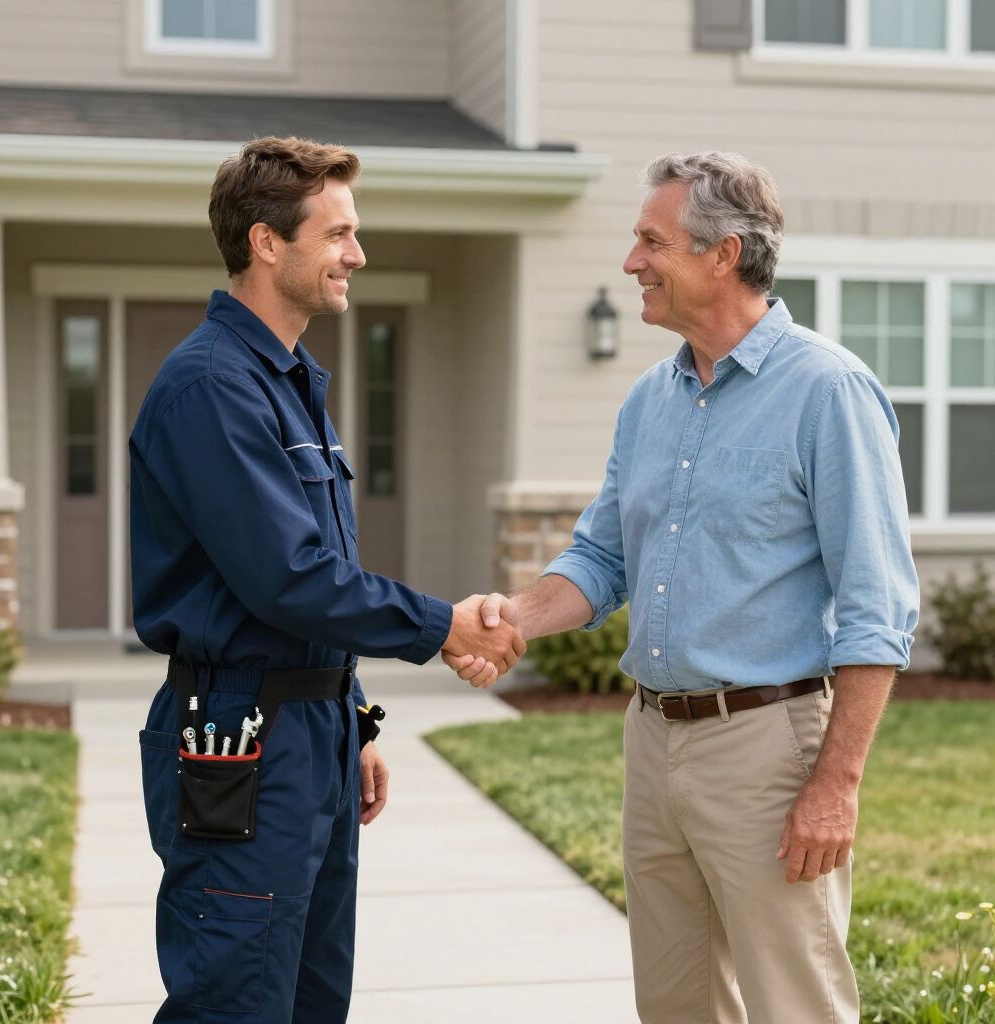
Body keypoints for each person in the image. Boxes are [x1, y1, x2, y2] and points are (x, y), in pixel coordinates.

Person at [447, 152, 919, 1023]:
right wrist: (511, 618)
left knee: (794, 1005)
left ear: (723, 255)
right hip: (653, 740)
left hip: (768, 747)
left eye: (650, 242)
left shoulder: (828, 392)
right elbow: (600, 560)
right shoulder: (648, 402)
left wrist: (834, 783)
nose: (632, 263)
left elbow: (878, 608)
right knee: (674, 1005)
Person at [130, 135, 524, 1024]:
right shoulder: (211, 387)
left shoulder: (292, 379)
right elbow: (288, 579)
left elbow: (306, 580)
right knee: (236, 999)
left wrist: (347, 716)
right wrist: (445, 627)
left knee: (310, 996)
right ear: (267, 242)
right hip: (239, 740)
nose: (359, 253)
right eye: (339, 232)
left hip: (308, 735)